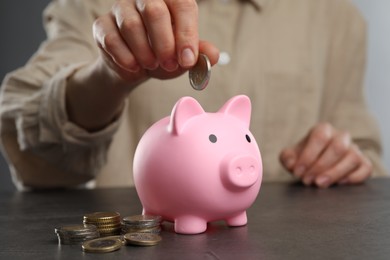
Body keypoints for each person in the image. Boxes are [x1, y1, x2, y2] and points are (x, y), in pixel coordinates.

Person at [0, 0, 387, 190]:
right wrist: (109, 75)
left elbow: (363, 150)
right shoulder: (99, 4)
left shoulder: (335, 15)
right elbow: (23, 130)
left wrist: (343, 159)